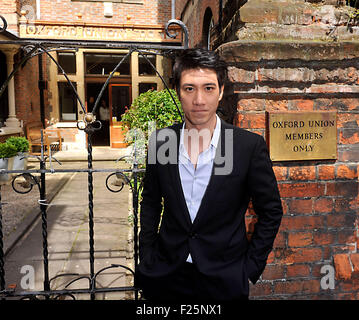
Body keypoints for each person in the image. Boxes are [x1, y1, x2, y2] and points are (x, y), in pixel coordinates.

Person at [135, 48, 283, 302]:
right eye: (189, 88)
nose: (199, 100)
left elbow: (271, 211)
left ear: (221, 91)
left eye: (209, 88)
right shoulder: (162, 142)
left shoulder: (246, 147)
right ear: (178, 91)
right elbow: (150, 203)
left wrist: (249, 268)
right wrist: (147, 257)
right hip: (167, 275)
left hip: (224, 279)